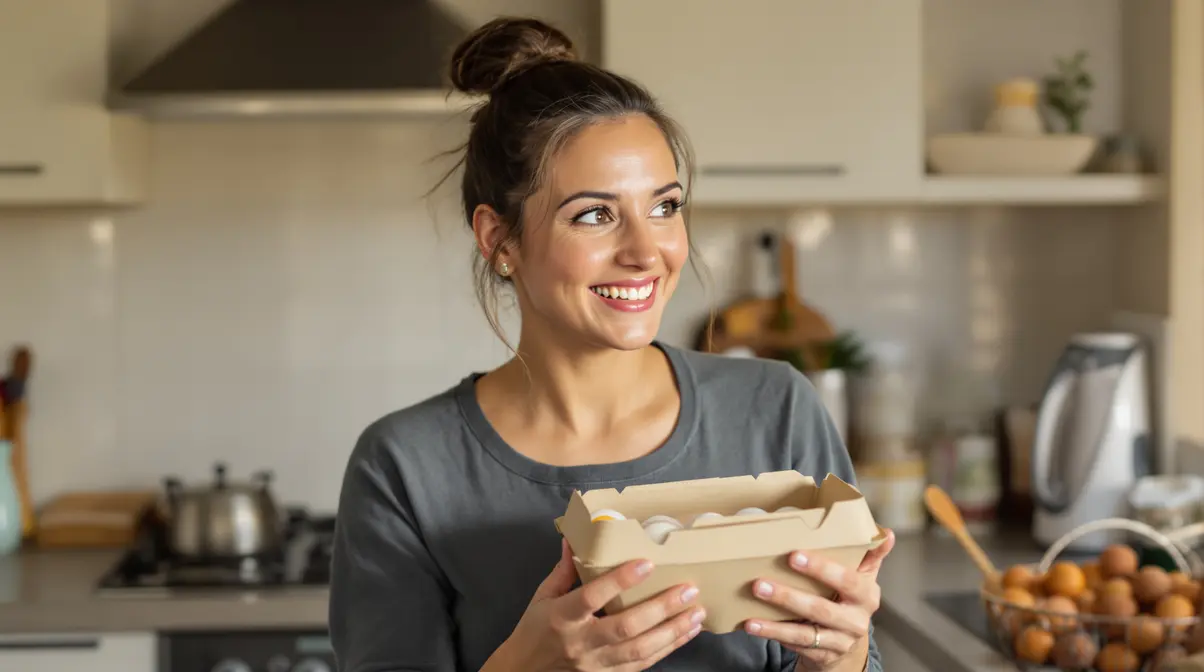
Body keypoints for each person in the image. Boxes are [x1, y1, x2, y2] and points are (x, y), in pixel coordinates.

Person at [329, 16, 894, 672]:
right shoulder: (405, 467)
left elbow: (853, 660)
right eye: (594, 215)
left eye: (665, 206)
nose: (646, 252)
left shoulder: (775, 409)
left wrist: (844, 650)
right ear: (498, 241)